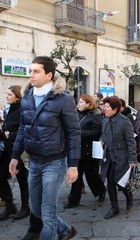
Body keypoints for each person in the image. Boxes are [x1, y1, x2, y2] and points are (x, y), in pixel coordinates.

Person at [9, 56, 81, 240]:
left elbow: (73, 133)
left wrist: (73, 165)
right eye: (30, 70)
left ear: (49, 75)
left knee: (47, 212)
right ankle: (65, 230)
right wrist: (15, 156)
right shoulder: (26, 98)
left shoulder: (63, 100)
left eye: (36, 71)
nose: (30, 74)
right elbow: (23, 130)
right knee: (36, 209)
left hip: (54, 163)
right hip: (33, 162)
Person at [64, 94, 106, 209]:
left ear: (88, 104)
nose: (78, 104)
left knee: (91, 176)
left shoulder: (95, 116)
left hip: (89, 153)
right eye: (79, 102)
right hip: (76, 151)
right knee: (76, 178)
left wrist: (79, 133)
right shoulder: (75, 114)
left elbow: (96, 133)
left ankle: (101, 191)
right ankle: (73, 200)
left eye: (81, 102)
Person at [100, 96, 137, 219]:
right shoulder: (105, 120)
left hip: (122, 157)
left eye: (107, 107)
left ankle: (129, 195)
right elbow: (103, 135)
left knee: (121, 183)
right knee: (110, 182)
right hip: (109, 157)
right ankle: (114, 207)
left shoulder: (124, 121)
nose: (104, 109)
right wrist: (101, 141)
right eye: (104, 107)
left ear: (115, 108)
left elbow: (131, 141)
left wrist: (132, 160)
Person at [0, 86, 30, 221]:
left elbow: (27, 131)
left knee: (22, 179)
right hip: (7, 150)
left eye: (9, 94)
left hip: (19, 151)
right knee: (1, 176)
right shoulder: (10, 110)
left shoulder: (21, 111)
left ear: (17, 97)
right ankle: (10, 204)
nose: (6, 96)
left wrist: (10, 135)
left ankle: (25, 208)